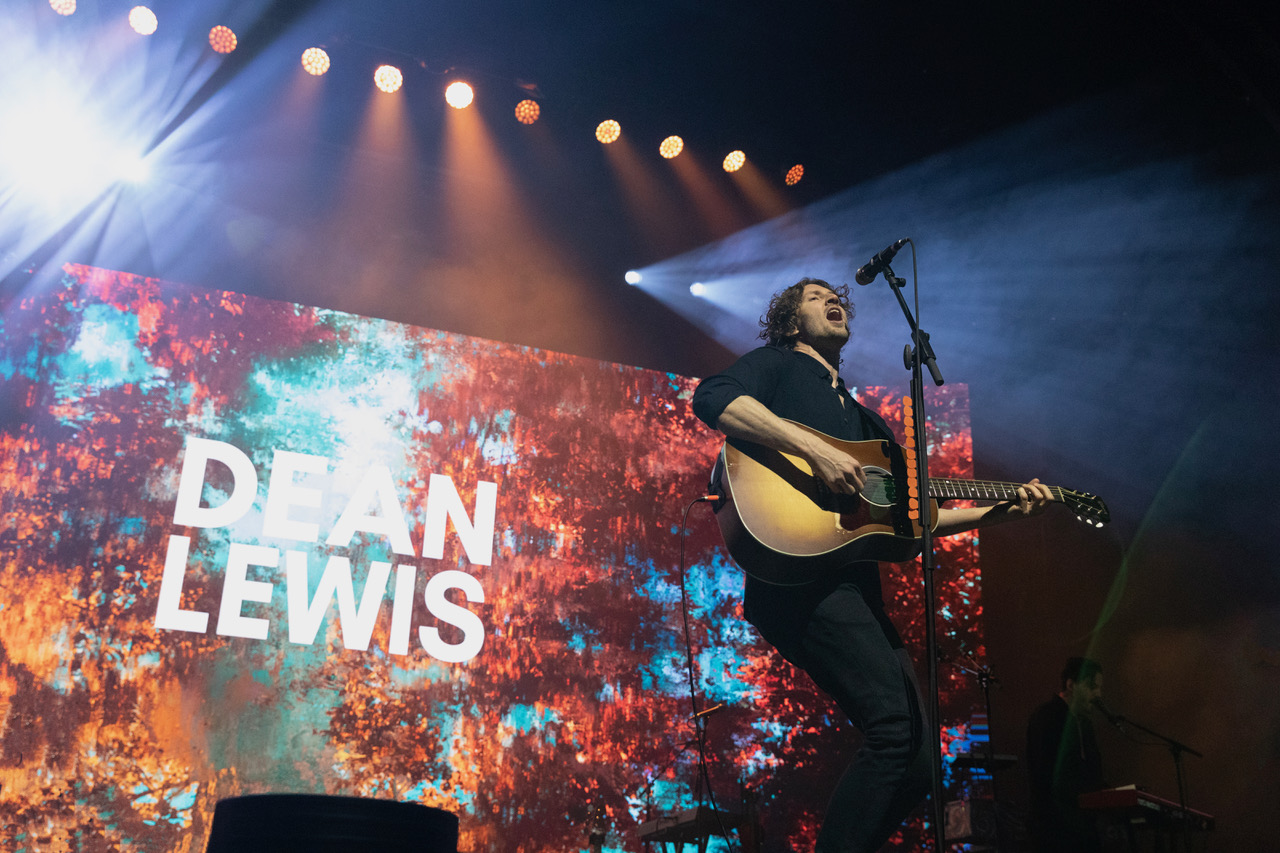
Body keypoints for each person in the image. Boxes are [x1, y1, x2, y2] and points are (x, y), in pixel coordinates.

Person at [691, 278, 1055, 852]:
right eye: (813, 297)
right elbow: (713, 398)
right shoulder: (779, 366)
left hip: (855, 589)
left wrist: (1000, 514)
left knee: (916, 764)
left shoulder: (871, 429)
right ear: (790, 322)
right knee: (893, 727)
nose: (830, 299)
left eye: (833, 296)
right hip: (800, 579)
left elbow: (916, 521)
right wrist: (814, 450)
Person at [1025, 657, 1107, 852]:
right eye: (1091, 687)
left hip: (1082, 832)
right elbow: (1047, 775)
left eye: (1099, 688)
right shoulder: (1048, 717)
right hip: (1054, 833)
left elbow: (1093, 773)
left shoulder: (1084, 724)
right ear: (1071, 685)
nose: (1098, 694)